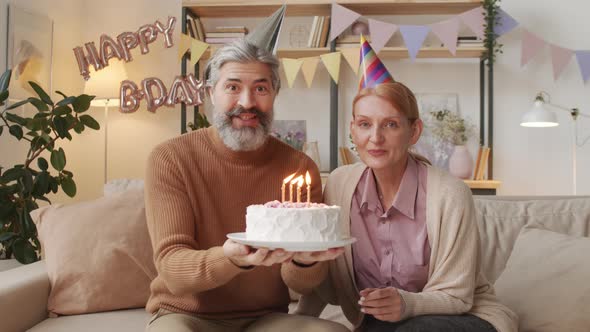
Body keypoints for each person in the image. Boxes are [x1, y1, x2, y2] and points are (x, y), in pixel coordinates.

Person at [293, 38, 518, 332]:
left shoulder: (450, 194)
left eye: (390, 124)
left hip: (462, 317)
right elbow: (324, 277)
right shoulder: (338, 184)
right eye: (364, 124)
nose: (375, 137)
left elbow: (458, 295)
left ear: (414, 131)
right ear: (352, 129)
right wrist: (296, 321)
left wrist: (406, 304)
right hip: (382, 322)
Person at [144, 38, 347, 332]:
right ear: (211, 92)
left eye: (261, 88)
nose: (247, 102)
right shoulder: (171, 158)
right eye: (233, 87)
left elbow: (302, 285)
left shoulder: (299, 167)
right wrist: (232, 259)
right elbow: (173, 269)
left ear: (275, 93)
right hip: (184, 316)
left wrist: (305, 262)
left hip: (264, 318)